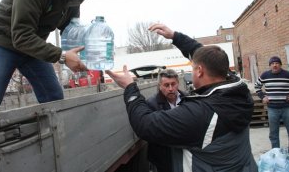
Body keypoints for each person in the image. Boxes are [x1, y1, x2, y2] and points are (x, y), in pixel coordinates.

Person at [106, 24, 257, 172]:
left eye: (192, 67)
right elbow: (205, 57)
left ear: (199, 71)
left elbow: (145, 125)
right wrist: (175, 37)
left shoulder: (202, 113)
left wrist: (130, 89)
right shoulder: (239, 89)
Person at [147, 69, 186, 172]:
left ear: (178, 83)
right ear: (160, 86)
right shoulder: (152, 104)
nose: (170, 88)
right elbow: (153, 133)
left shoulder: (187, 99)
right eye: (166, 85)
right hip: (163, 156)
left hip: (185, 152)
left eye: (173, 84)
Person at [254, 56, 289, 148]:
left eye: (277, 63)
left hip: (287, 108)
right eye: (272, 64)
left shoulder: (287, 74)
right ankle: (276, 152)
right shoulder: (265, 75)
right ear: (270, 65)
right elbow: (257, 86)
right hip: (272, 109)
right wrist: (263, 97)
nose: (275, 65)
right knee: (273, 133)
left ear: (280, 65)